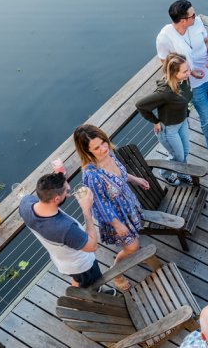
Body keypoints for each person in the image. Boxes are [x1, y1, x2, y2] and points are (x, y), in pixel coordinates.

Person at [73, 124, 151, 291]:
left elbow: (121, 174)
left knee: (133, 242)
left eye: (103, 142)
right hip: (115, 217)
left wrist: (135, 179)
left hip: (128, 205)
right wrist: (116, 224)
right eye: (96, 147)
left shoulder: (110, 153)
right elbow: (101, 205)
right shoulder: (92, 175)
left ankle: (133, 254)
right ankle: (116, 272)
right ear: (87, 151)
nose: (103, 149)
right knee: (131, 246)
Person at [156, 0, 208, 173]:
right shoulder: (165, 37)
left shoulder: (198, 22)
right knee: (206, 119)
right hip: (195, 85)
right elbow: (165, 64)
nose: (196, 16)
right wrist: (191, 72)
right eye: (192, 15)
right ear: (182, 21)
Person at [19, 173, 107, 290]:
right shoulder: (65, 229)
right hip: (81, 266)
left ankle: (76, 288)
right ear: (56, 199)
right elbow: (92, 246)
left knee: (76, 279)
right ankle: (93, 297)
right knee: (91, 285)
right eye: (66, 190)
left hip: (62, 260)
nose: (70, 190)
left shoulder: (25, 203)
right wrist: (86, 210)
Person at [136, 53, 193, 186]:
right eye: (185, 71)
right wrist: (155, 121)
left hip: (182, 122)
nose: (189, 73)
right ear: (174, 73)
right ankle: (165, 173)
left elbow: (184, 101)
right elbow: (140, 105)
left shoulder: (183, 81)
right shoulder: (165, 93)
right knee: (177, 156)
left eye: (188, 69)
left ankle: (181, 173)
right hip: (169, 130)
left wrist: (186, 115)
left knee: (185, 152)